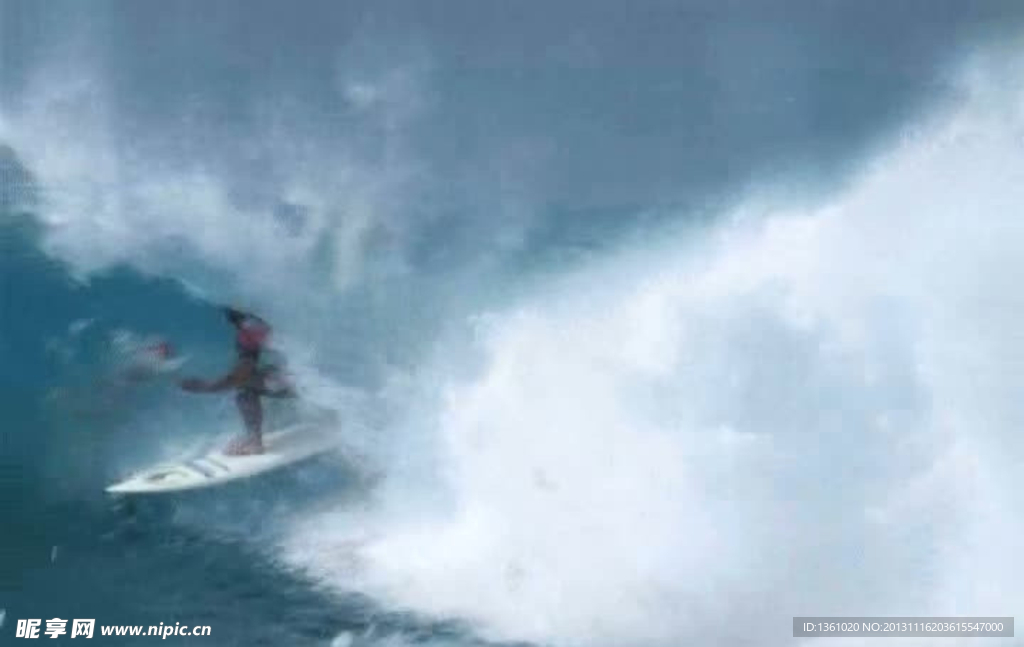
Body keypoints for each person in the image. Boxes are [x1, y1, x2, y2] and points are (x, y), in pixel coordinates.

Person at [179, 307, 295, 455]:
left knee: (244, 386)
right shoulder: (274, 314)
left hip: (302, 380)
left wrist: (206, 387)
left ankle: (254, 441)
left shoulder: (250, 329)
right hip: (318, 377)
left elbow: (241, 377)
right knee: (259, 377)